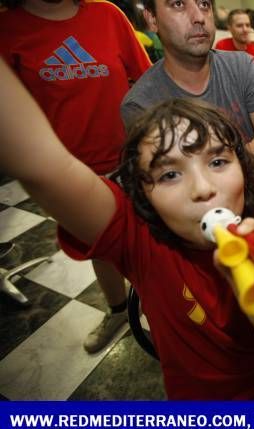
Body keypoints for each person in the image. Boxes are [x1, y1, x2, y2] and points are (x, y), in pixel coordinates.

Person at [0, 60, 254, 399]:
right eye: (169, 174)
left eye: (218, 162)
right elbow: (40, 163)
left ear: (244, 168)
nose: (202, 188)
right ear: (144, 196)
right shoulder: (139, 240)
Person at [0, 0, 152, 354]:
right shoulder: (8, 28)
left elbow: (147, 78)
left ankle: (159, 310)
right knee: (101, 247)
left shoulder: (107, 14)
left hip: (130, 160)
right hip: (69, 175)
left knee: (149, 243)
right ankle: (118, 311)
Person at [121, 0, 254, 187]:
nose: (198, 17)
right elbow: (177, 184)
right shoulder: (141, 104)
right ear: (152, 19)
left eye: (204, 4)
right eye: (179, 4)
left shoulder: (242, 67)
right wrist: (252, 152)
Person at [214, 9, 254, 83]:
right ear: (229, 28)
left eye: (248, 25)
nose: (245, 29)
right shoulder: (222, 46)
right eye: (239, 26)